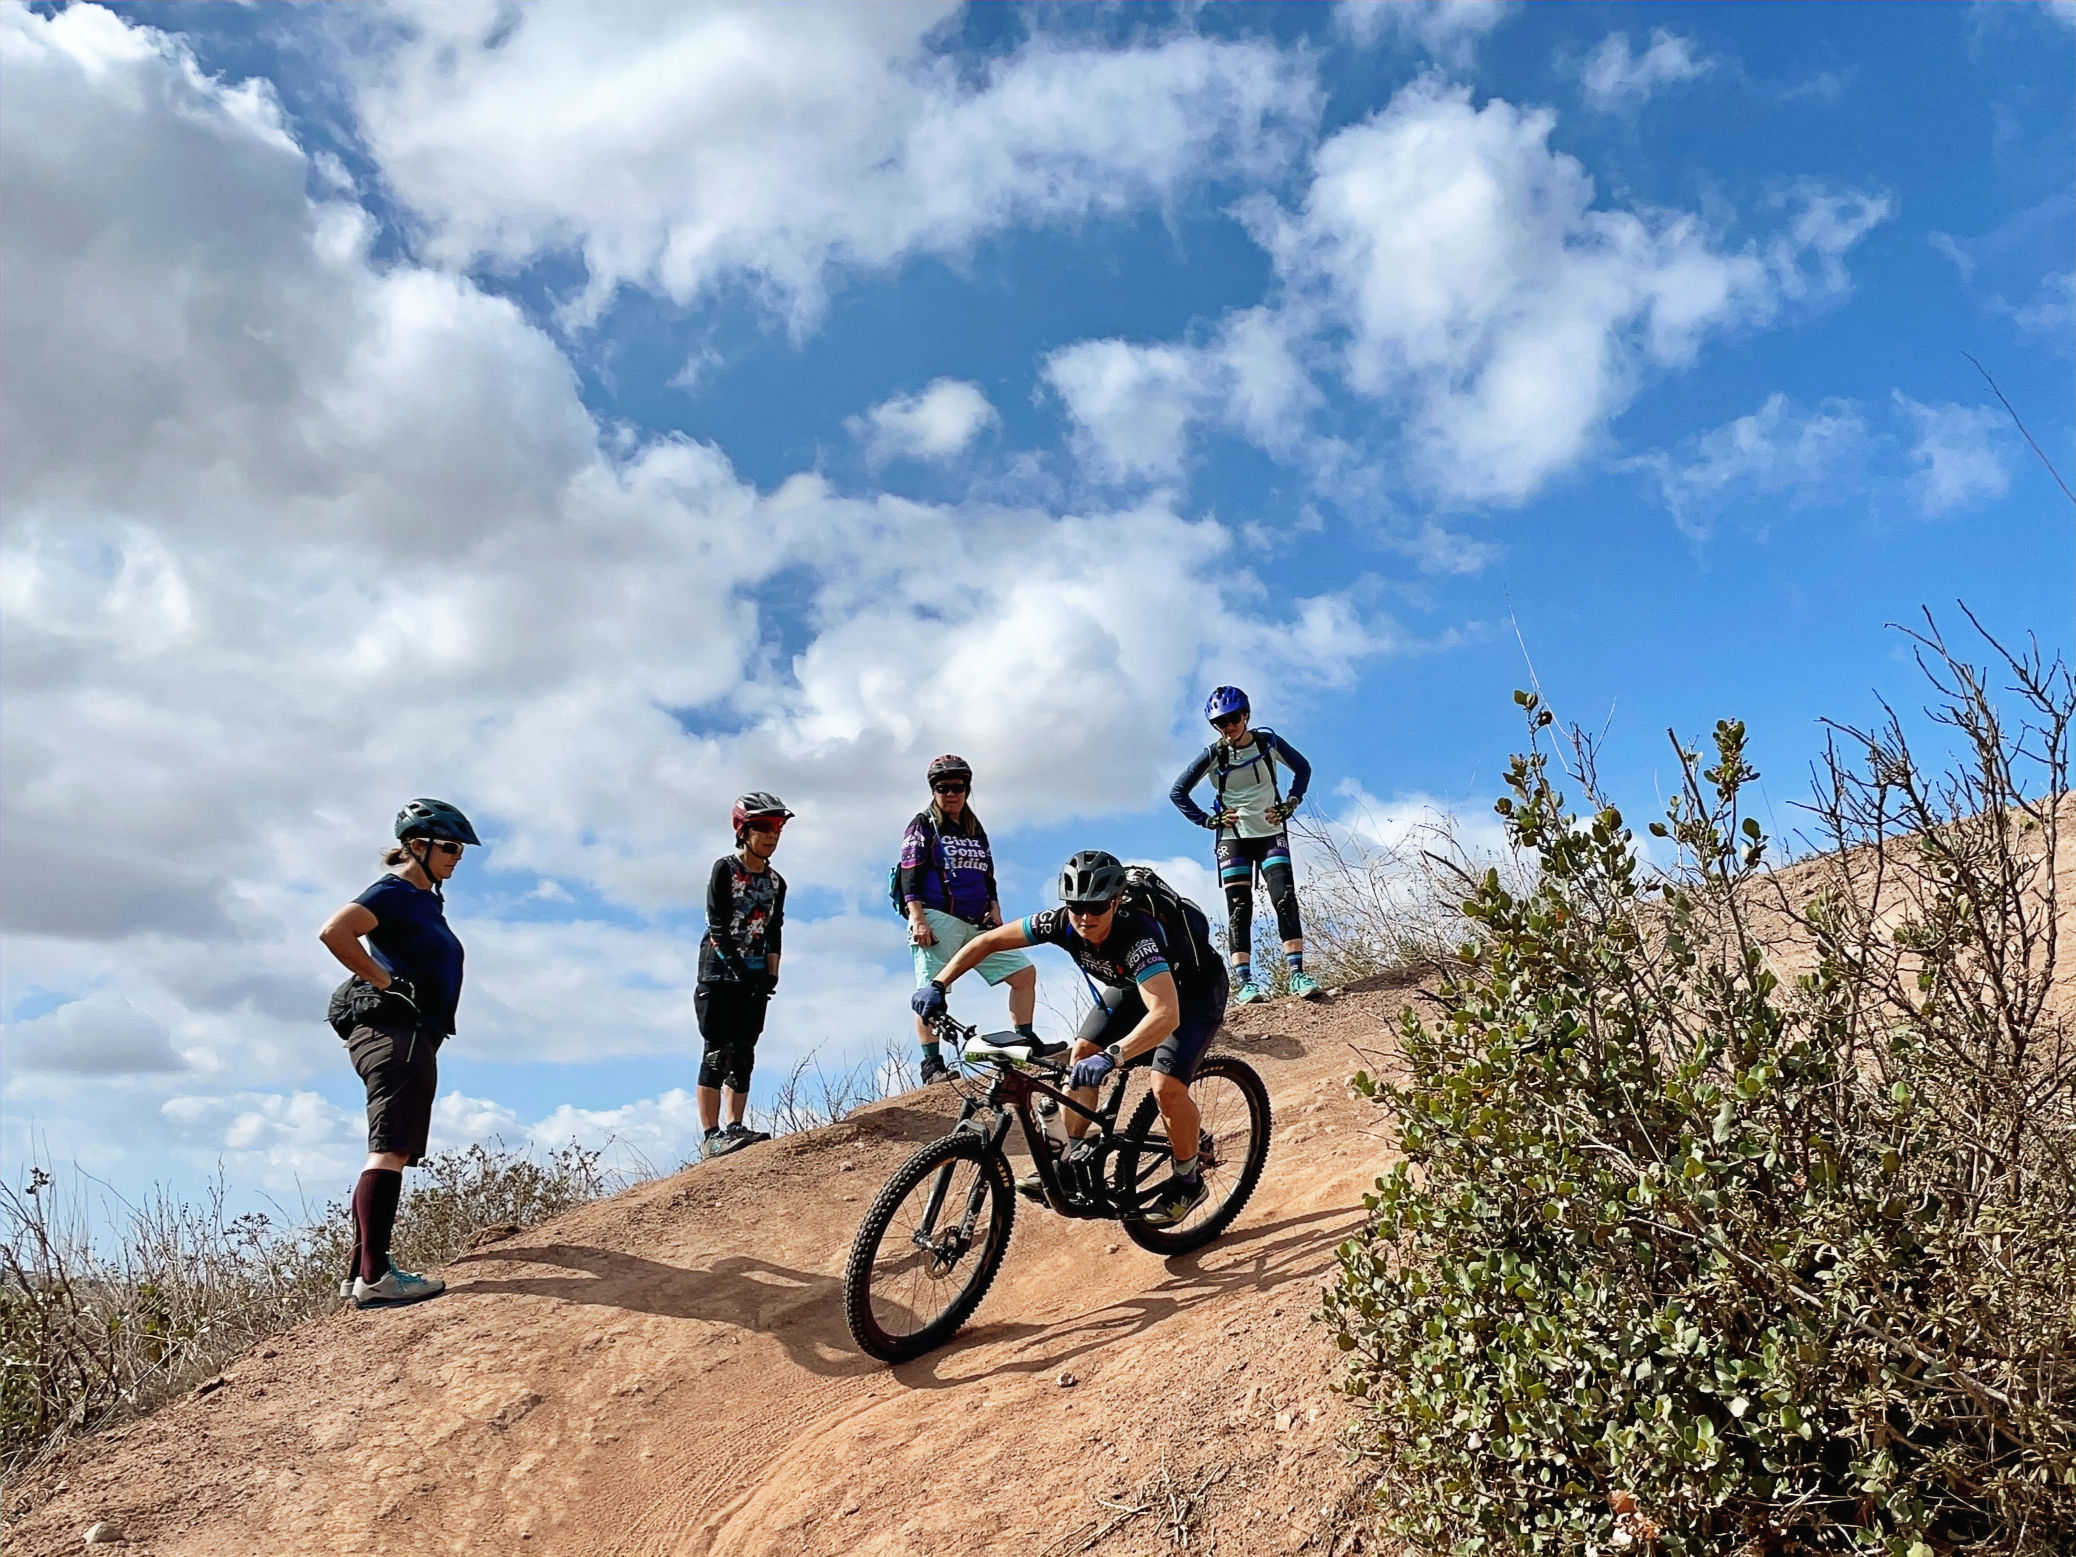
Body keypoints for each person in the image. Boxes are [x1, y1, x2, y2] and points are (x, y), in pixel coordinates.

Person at [912, 850, 1229, 1227]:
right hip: (1134, 986)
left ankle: (1188, 1181)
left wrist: (1113, 1056)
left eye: (1097, 907)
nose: (1085, 917)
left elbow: (1166, 1014)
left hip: (1193, 993)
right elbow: (988, 942)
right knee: (1081, 1053)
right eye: (1077, 906)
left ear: (1115, 902)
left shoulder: (1137, 936)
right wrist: (938, 984)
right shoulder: (1060, 922)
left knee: (1166, 1086)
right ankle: (1067, 1163)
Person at [317, 798, 481, 1309]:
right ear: (417, 845)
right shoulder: (393, 891)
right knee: (390, 1148)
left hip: (412, 1034)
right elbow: (334, 931)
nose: (457, 857)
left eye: (461, 849)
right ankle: (375, 1278)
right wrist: (385, 981)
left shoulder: (425, 901)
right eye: (449, 847)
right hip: (395, 1032)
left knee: (392, 1149)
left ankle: (360, 1273)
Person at [1169, 685, 1320, 1003]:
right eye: (1220, 723)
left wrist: (1291, 802)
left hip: (1270, 832)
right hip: (1233, 839)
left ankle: (1297, 974)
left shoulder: (1268, 743)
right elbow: (1178, 791)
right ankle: (1246, 984)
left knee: (1284, 898)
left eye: (1233, 719)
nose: (1228, 727)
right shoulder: (1214, 754)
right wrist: (1207, 820)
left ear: (1246, 715)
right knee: (1239, 907)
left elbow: (1303, 768)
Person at [900, 754, 1041, 1085]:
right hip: (937, 917)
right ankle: (932, 1064)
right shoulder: (923, 824)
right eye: (942, 788)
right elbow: (910, 873)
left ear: (967, 789)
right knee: (931, 992)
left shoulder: (974, 828)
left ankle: (1025, 1043)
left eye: (958, 787)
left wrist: (994, 905)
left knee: (1023, 973)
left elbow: (987, 872)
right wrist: (917, 917)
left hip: (978, 922)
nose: (951, 794)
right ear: (933, 790)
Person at [696, 792, 792, 1159]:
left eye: (777, 828)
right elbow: (717, 926)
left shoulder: (777, 883)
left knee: (745, 1054)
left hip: (755, 978)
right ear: (743, 830)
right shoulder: (724, 869)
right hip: (718, 974)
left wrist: (771, 974)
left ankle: (735, 1126)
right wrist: (739, 970)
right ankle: (711, 1136)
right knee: (716, 1053)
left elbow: (774, 929)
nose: (772, 835)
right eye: (764, 827)